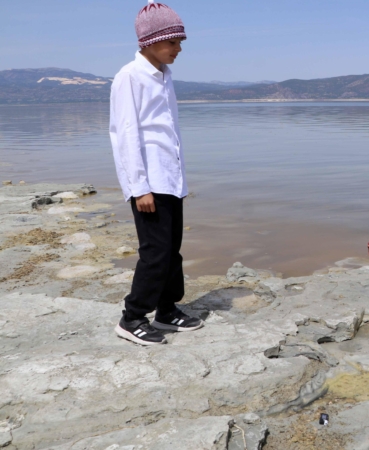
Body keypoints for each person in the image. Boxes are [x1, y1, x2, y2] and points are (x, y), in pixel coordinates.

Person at [110, 0, 202, 346]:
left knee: (172, 249)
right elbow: (126, 136)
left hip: (170, 178)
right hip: (148, 182)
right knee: (155, 251)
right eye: (172, 42)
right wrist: (139, 187)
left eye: (180, 43)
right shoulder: (130, 78)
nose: (178, 49)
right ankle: (132, 316)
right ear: (149, 41)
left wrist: (178, 179)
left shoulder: (164, 76)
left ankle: (167, 309)